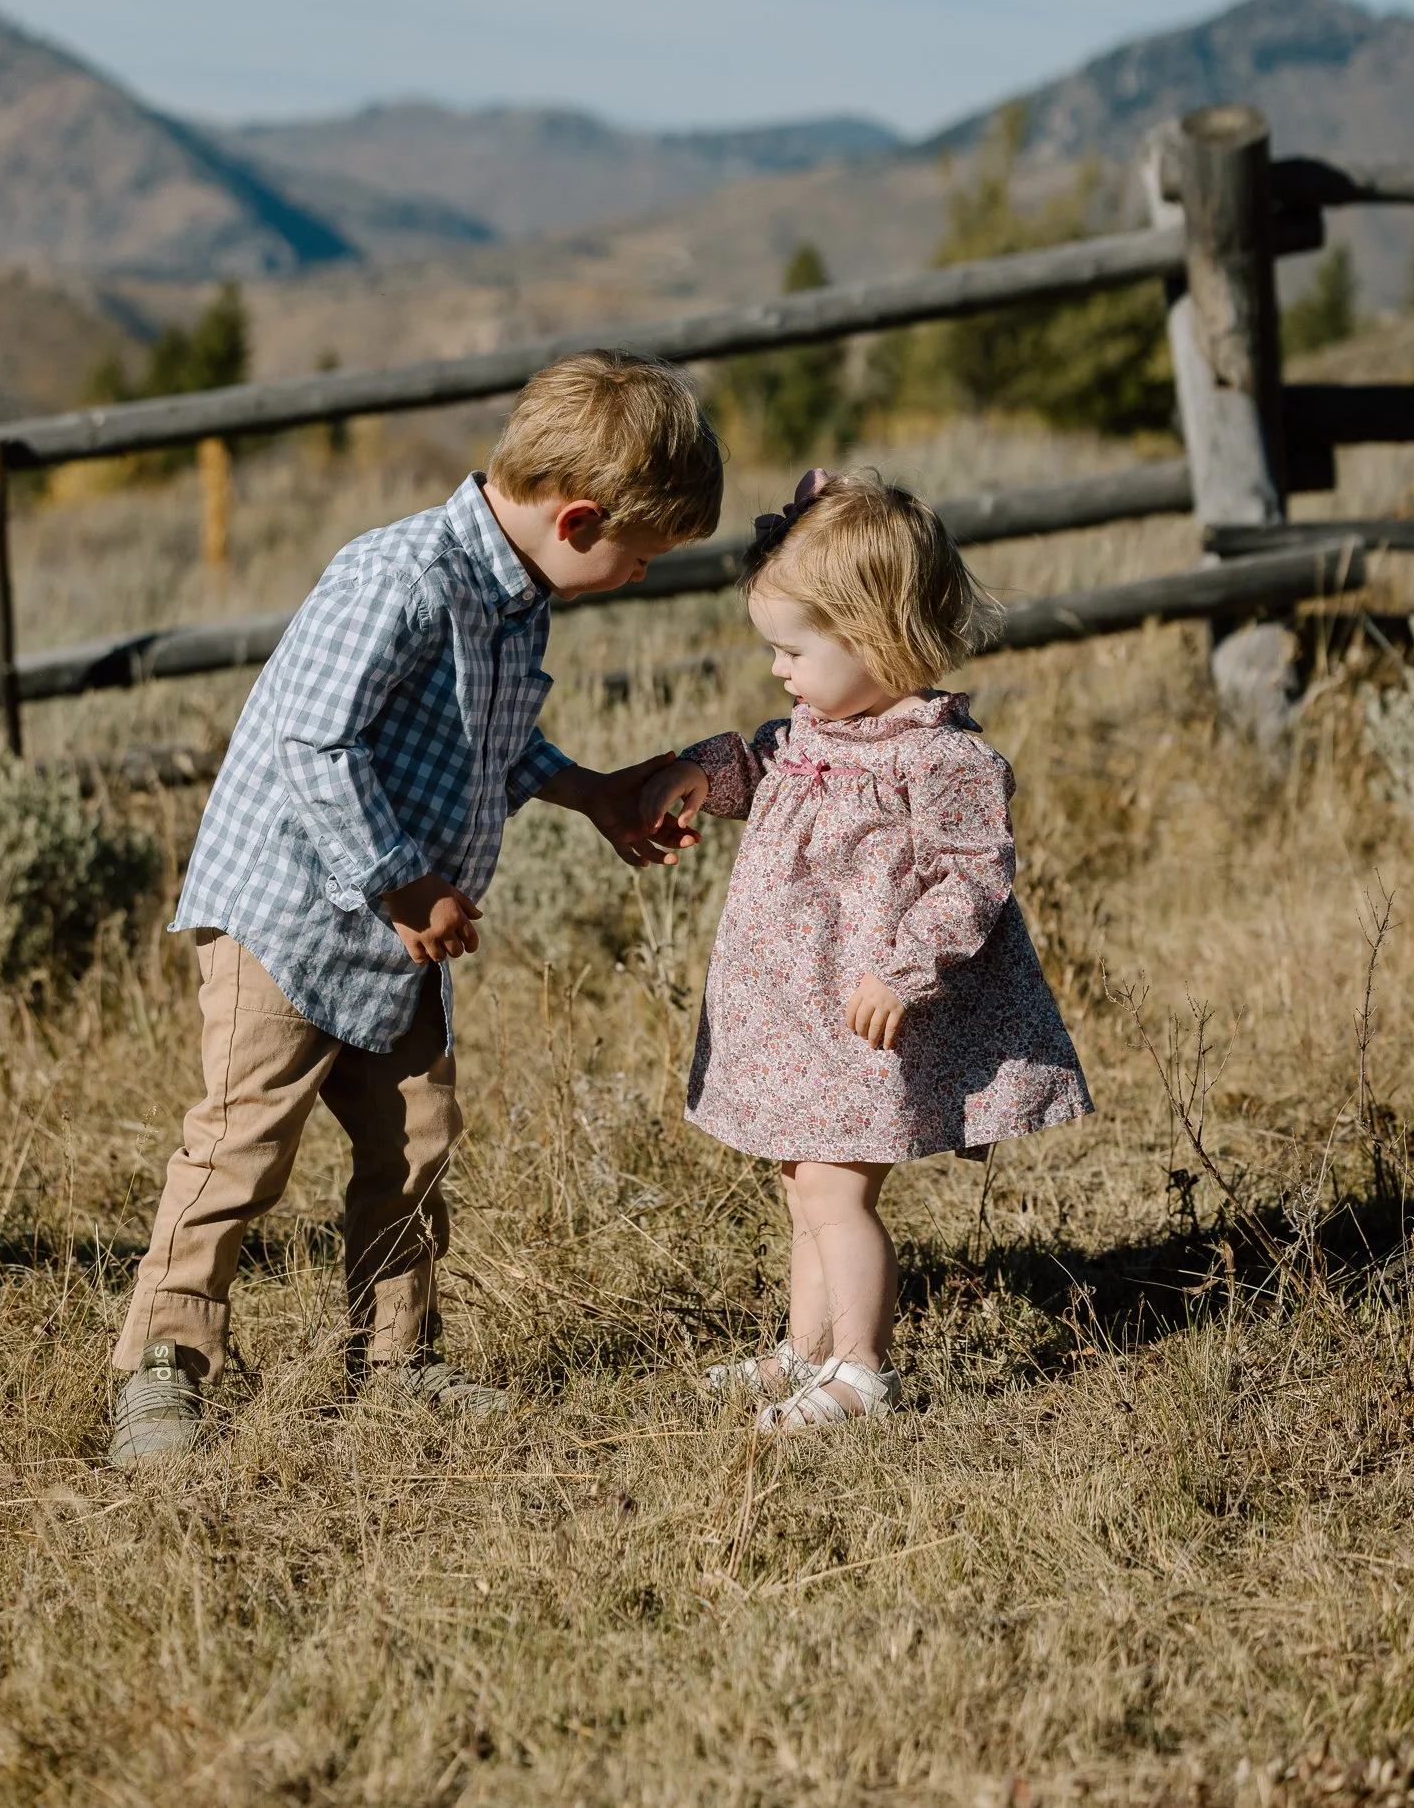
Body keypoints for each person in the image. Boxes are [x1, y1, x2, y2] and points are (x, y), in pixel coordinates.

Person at [108, 351, 722, 1465]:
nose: (639, 578)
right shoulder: (400, 576)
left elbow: (485, 740)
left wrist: (591, 792)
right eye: (640, 557)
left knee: (415, 1138)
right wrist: (401, 878)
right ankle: (163, 1365)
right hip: (288, 918)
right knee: (240, 1144)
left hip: (400, 937)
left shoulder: (514, 599)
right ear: (578, 521)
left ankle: (396, 1361)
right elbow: (311, 740)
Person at [638, 468, 1092, 1435]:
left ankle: (860, 1372)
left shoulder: (940, 758)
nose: (777, 671)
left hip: (864, 1011)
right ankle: (804, 1349)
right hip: (794, 1009)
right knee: (802, 1179)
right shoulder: (815, 731)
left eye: (791, 649)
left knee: (836, 1192)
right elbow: (759, 760)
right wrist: (699, 774)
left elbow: (972, 878)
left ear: (877, 638)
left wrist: (902, 970)